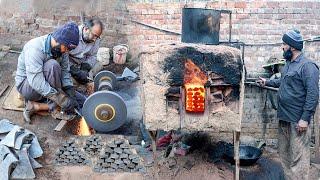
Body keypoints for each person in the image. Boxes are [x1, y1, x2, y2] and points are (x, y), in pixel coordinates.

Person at [258, 29, 319, 180]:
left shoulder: (308, 66)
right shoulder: (289, 64)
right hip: (284, 118)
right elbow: (283, 82)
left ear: (292, 47)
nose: (282, 47)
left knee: (298, 159)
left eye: (284, 44)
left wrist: (305, 119)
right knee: (285, 155)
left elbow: (313, 94)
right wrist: (267, 81)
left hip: (298, 121)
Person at [15, 22, 86, 123]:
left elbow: (65, 71)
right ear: (60, 41)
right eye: (67, 48)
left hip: (46, 81)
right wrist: (61, 99)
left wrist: (69, 90)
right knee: (52, 65)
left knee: (79, 99)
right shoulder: (35, 48)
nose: (67, 51)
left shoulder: (63, 49)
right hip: (28, 86)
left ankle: (36, 106)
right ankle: (55, 109)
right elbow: (36, 81)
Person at [66, 18, 104, 86]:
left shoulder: (96, 39)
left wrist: (85, 67)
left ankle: (87, 80)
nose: (95, 39)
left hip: (83, 62)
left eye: (97, 37)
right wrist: (74, 71)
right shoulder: (73, 34)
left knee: (99, 65)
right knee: (70, 81)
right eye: (94, 35)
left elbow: (93, 56)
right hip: (69, 64)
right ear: (86, 29)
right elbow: (62, 56)